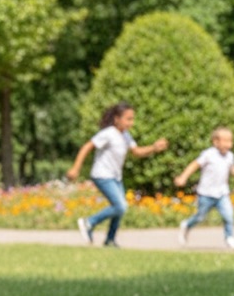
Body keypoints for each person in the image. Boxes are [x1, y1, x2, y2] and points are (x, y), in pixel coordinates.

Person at [67, 102, 168, 247]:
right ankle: (89, 222)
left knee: (119, 209)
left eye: (132, 119)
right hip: (102, 175)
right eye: (128, 119)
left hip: (115, 177)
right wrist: (76, 168)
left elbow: (136, 152)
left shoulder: (125, 135)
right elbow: (87, 146)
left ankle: (110, 240)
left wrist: (153, 148)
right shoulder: (108, 133)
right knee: (120, 206)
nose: (131, 123)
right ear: (117, 119)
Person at [174, 127, 234, 249]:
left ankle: (229, 238)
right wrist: (183, 177)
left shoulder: (230, 156)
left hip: (222, 193)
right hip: (206, 193)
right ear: (216, 142)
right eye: (225, 141)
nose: (229, 144)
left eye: (230, 141)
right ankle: (187, 225)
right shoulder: (209, 154)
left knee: (229, 215)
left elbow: (232, 169)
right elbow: (194, 165)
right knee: (200, 217)